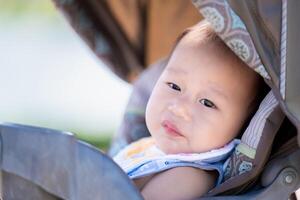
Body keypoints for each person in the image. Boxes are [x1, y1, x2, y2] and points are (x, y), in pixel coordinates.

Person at [113, 20, 264, 200]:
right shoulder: (150, 147)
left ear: (243, 124)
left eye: (207, 103)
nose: (179, 108)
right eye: (174, 86)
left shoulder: (189, 177)